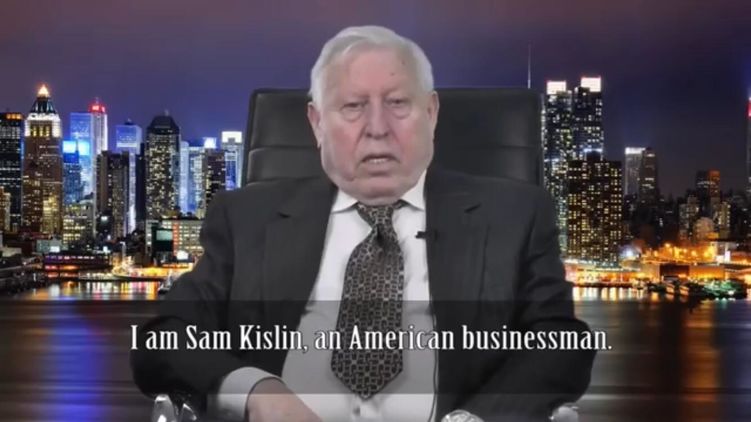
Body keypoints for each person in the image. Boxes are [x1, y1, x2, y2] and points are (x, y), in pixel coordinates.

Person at [131, 25, 595, 422]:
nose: (377, 127)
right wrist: (255, 391)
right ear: (317, 123)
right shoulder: (246, 218)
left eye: (398, 103)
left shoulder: (515, 216)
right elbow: (162, 339)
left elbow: (562, 344)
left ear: (431, 113)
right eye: (353, 106)